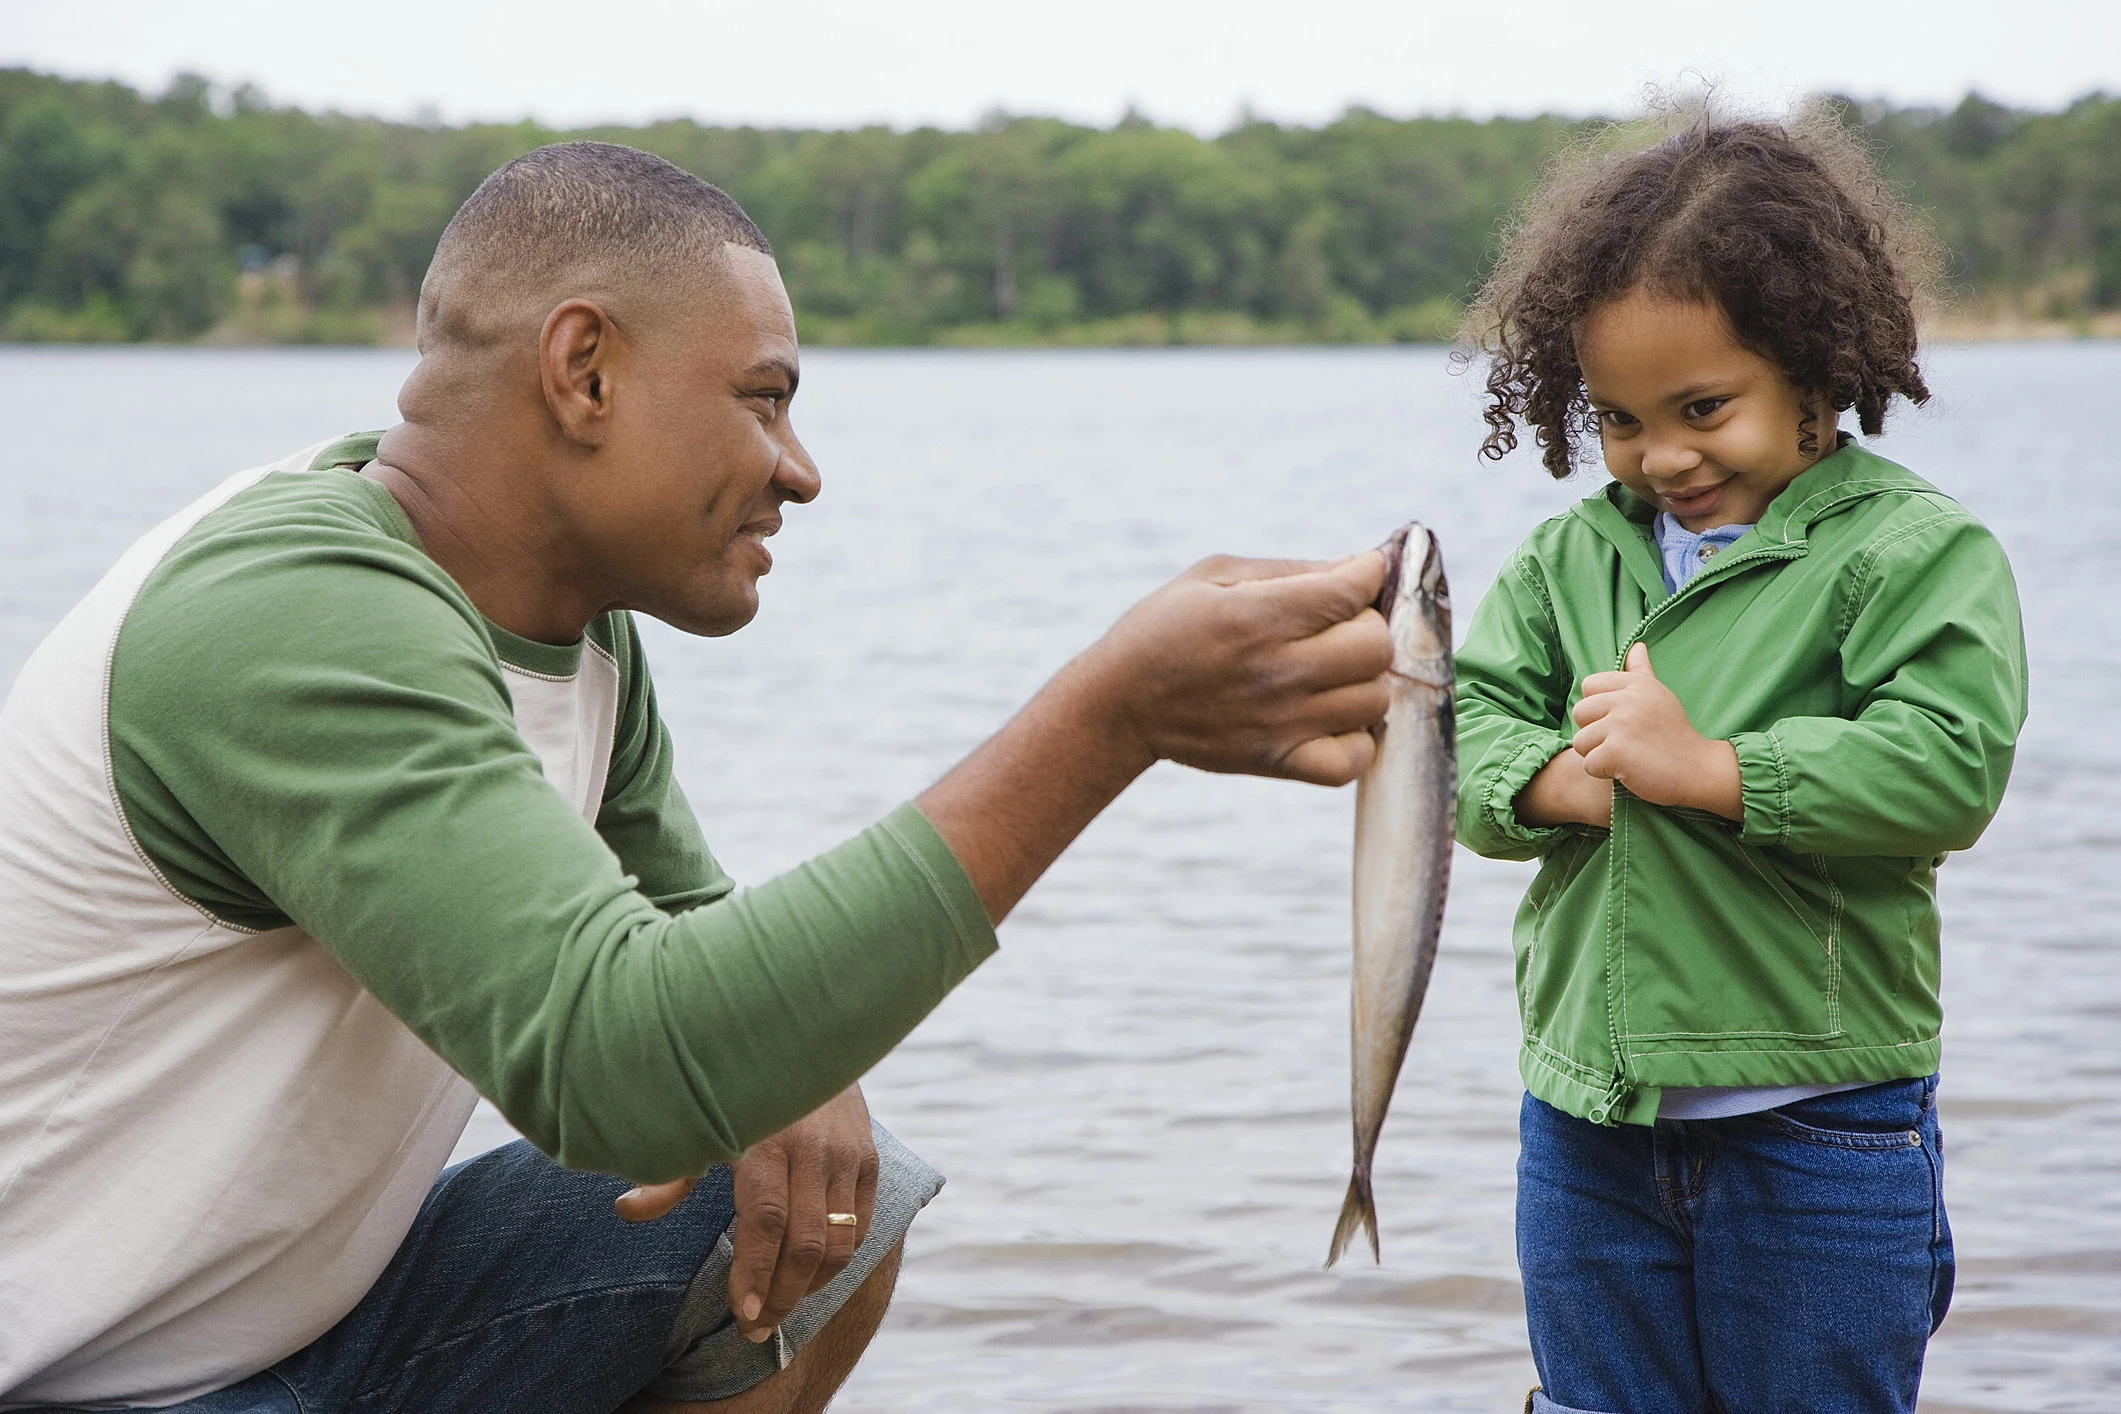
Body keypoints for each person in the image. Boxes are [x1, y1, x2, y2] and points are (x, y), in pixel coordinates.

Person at [0, 142, 1395, 1414]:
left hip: (309, 1339)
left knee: (820, 1191)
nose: (801, 472)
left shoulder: (573, 630)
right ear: (585, 370)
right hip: (88, 1376)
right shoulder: (296, 614)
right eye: (765, 400)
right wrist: (1112, 717)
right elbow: (623, 1060)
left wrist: (789, 1066)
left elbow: (706, 975)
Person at [1452, 109, 2028, 1413]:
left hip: (1820, 1120)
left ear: (1816, 367)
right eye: (1618, 418)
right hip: (1589, 1116)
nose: (1663, 456)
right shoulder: (1566, 561)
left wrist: (1713, 767)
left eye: (1703, 408)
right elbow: (1470, 726)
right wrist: (1564, 779)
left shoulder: (1911, 551)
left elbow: (1947, 764)